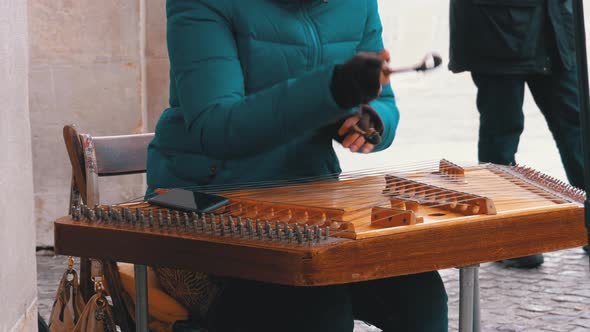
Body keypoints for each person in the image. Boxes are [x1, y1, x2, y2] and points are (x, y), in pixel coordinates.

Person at [146, 0, 448, 331]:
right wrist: (330, 90)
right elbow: (216, 128)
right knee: (315, 308)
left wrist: (371, 121)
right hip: (203, 211)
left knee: (419, 292)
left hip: (309, 209)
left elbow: (381, 98)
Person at [448, 0, 586, 269]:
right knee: (501, 133)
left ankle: (587, 221)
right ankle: (506, 238)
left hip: (553, 24)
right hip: (496, 28)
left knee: (577, 125)